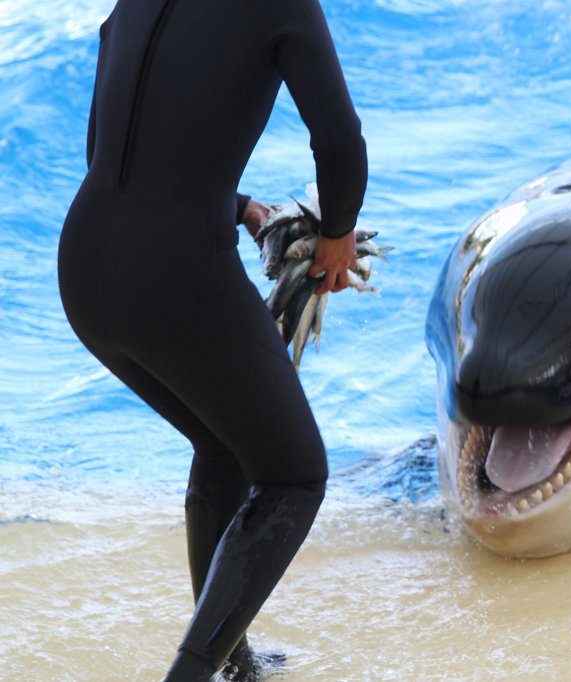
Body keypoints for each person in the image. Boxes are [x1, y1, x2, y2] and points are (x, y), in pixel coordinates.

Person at [57, 0, 368, 679]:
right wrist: (337, 234)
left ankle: (232, 662)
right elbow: (340, 139)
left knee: (224, 445)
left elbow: (106, 151)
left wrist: (241, 208)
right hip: (174, 274)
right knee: (294, 475)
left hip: (84, 264)